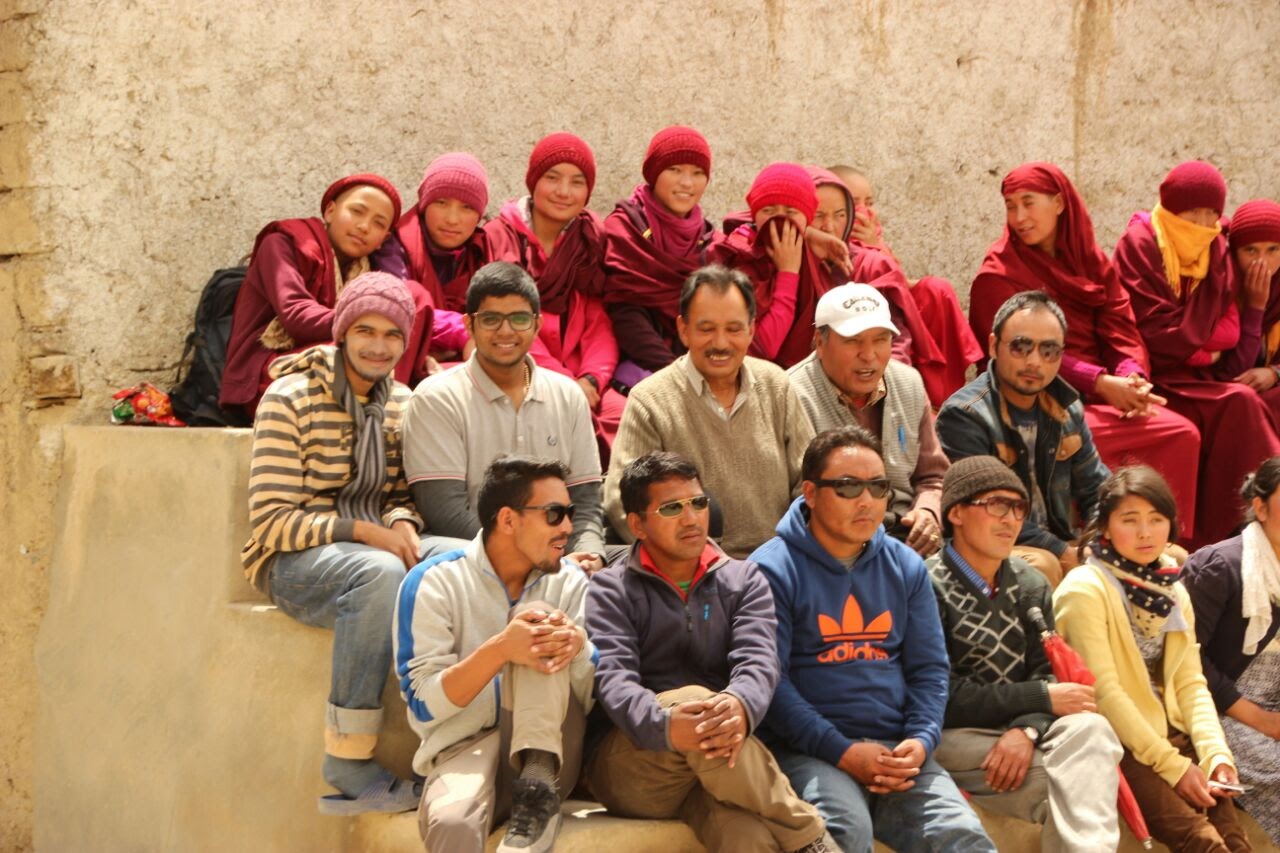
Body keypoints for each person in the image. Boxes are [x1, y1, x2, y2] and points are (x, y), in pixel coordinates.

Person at [750, 426, 995, 853]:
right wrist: (842, 751)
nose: (866, 501)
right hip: (807, 751)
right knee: (844, 830)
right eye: (848, 487)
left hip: (897, 749)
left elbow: (929, 670)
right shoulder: (770, 570)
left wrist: (920, 741)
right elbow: (770, 685)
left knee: (964, 838)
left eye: (878, 487)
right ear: (810, 493)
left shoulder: (906, 566)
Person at [240, 272, 425, 815]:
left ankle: (455, 747)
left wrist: (404, 525)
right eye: (365, 330)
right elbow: (271, 521)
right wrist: (366, 532)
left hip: (371, 548)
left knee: (460, 560)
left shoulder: (401, 402)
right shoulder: (289, 397)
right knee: (381, 574)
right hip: (292, 566)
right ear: (342, 332)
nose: (378, 346)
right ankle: (347, 758)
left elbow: (398, 495)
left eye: (392, 335)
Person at [586, 451, 834, 853]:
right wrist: (665, 725)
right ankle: (812, 838)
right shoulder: (610, 589)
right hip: (635, 765)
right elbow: (614, 681)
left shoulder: (744, 579)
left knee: (747, 839)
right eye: (672, 508)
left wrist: (739, 705)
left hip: (720, 761)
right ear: (637, 525)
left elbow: (759, 662)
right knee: (696, 701)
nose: (691, 518)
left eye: (698, 503)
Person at [970, 161, 1202, 539]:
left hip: (1102, 395)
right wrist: (1100, 382)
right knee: (1081, 437)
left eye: (1028, 203)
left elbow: (1120, 328)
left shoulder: (1091, 262)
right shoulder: (998, 273)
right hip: (1035, 400)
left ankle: (1160, 544)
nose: (1019, 217)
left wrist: (1131, 377)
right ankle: (1093, 538)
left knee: (1181, 432)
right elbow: (1024, 354)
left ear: (1059, 203)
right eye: (1010, 206)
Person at [394, 455, 596, 853]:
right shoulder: (433, 581)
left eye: (570, 514)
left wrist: (577, 648)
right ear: (507, 520)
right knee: (452, 823)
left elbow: (589, 699)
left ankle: (537, 778)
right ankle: (533, 797)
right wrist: (501, 649)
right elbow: (423, 706)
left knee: (539, 619)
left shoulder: (572, 582)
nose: (568, 528)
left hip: (555, 750)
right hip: (463, 748)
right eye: (554, 514)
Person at [927, 455, 1122, 851]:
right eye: (996, 505)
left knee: (1094, 729)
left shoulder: (1031, 582)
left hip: (1020, 730)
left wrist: (1026, 729)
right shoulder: (925, 584)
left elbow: (1046, 672)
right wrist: (1040, 700)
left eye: (1018, 508)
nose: (1011, 519)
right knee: (1079, 782)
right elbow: (937, 697)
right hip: (952, 735)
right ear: (956, 513)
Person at [1054, 465, 1252, 852]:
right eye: (1130, 520)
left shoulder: (1171, 588)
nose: (1145, 532)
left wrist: (1216, 755)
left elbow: (1190, 682)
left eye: (1156, 519)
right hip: (1120, 742)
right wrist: (1174, 767)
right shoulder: (1084, 589)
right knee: (1203, 842)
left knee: (1234, 841)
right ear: (1105, 527)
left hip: (1171, 733)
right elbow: (1105, 694)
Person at [1114, 160, 1280, 547]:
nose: (1203, 224)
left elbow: (1229, 349)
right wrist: (1207, 351)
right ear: (1171, 210)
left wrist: (1271, 365)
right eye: (1192, 214)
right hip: (1156, 376)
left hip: (1206, 379)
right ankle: (1229, 530)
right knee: (1240, 400)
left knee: (1250, 398)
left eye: (1211, 214)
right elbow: (1154, 334)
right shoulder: (1141, 245)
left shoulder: (1214, 247)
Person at [402, 261, 605, 569]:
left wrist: (589, 556)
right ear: (469, 325)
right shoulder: (437, 398)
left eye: (519, 319)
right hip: (471, 555)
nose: (505, 331)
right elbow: (445, 511)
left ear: (537, 325)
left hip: (557, 556)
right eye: (491, 319)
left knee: (636, 567)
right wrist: (528, 555)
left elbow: (586, 501)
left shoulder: (568, 395)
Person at [604, 264, 815, 559]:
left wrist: (792, 557)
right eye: (706, 329)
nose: (720, 343)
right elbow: (622, 501)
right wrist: (690, 565)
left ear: (751, 330)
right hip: (690, 572)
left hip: (780, 565)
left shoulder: (776, 385)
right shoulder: (649, 400)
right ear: (683, 329)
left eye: (733, 329)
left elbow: (811, 484)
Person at [221, 173, 437, 417]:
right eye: (357, 211)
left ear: (383, 239)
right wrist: (366, 319)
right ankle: (381, 409)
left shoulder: (368, 270)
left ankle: (381, 407)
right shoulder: (283, 243)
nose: (364, 226)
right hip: (274, 370)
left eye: (378, 223)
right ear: (330, 211)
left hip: (341, 364)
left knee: (413, 296)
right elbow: (296, 316)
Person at [937, 291, 1110, 586]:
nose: (1034, 362)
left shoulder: (1067, 409)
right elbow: (988, 510)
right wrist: (1065, 552)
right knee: (1045, 566)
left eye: (1049, 351)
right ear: (993, 346)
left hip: (1063, 543)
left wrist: (1101, 541)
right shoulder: (965, 415)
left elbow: (1098, 490)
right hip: (995, 545)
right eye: (1020, 347)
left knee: (1164, 555)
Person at [485, 132, 623, 446]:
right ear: (533, 181)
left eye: (577, 182)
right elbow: (508, 320)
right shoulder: (501, 237)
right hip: (519, 368)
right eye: (552, 178)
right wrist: (565, 384)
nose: (563, 191)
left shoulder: (589, 239)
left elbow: (600, 323)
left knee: (622, 417)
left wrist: (592, 378)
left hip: (584, 374)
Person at [788, 283, 946, 557]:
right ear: (820, 343)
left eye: (881, 340)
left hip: (909, 538)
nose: (869, 355)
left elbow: (933, 476)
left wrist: (928, 511)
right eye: (853, 341)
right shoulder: (791, 394)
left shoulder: (908, 383)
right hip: (834, 547)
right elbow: (799, 499)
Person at [1183, 456, 1280, 844]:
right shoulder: (1219, 566)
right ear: (1260, 507)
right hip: (1219, 709)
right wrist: (1262, 720)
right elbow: (1185, 658)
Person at [827, 164, 983, 404]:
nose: (865, 212)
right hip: (862, 331)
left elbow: (899, 287)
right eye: (855, 203)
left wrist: (877, 247)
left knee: (935, 290)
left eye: (869, 202)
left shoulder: (873, 242)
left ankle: (942, 398)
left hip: (895, 323)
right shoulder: (828, 244)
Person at [601, 126, 721, 390]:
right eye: (675, 170)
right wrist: (675, 373)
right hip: (638, 370)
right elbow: (625, 312)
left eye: (697, 173)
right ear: (654, 174)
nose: (687, 183)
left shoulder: (712, 244)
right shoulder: (625, 230)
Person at [711, 162, 834, 369]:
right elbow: (764, 346)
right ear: (754, 216)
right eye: (768, 211)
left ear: (807, 219)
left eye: (791, 212)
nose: (779, 220)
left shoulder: (817, 252)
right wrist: (788, 273)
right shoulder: (738, 256)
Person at [371, 151, 491, 361]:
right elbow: (400, 310)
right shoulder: (394, 245)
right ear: (424, 205)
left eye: (467, 207)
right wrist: (463, 331)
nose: (452, 219)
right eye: (441, 203)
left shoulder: (481, 251)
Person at [1227, 199, 1280, 421]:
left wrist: (1274, 373)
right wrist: (1255, 307)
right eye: (1250, 250)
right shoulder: (1223, 289)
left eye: (1273, 249)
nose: (1262, 262)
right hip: (1239, 395)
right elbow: (1233, 373)